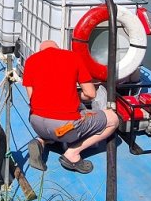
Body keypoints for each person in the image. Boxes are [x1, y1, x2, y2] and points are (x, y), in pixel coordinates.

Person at [22, 40, 117, 174]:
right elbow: (90, 94)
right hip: (64, 127)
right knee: (113, 119)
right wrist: (76, 95)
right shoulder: (72, 57)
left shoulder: (31, 61)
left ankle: (41, 140)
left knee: (49, 117)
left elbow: (31, 98)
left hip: (36, 123)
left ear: (40, 50)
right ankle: (72, 153)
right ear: (58, 48)